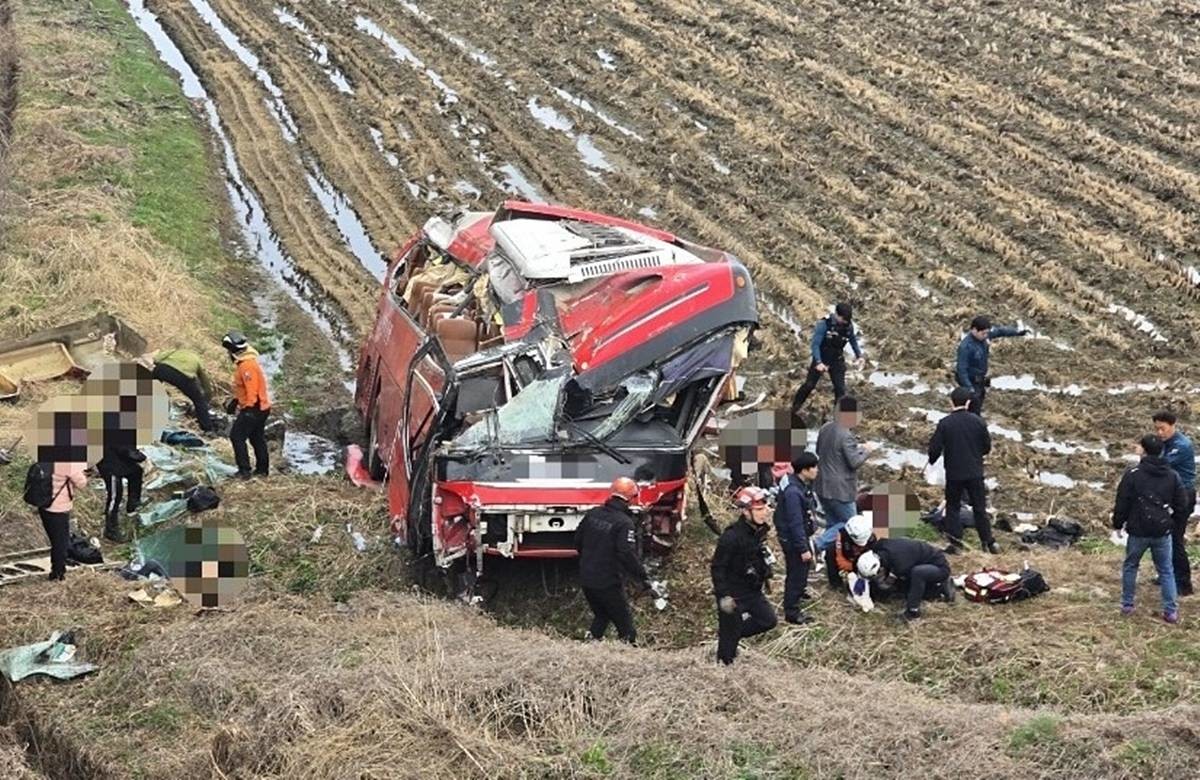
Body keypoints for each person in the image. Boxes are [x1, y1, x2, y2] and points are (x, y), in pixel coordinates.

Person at [1112, 434, 1190, 624]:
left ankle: (1128, 604)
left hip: (1138, 530)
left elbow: (1123, 502)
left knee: (1131, 565)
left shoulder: (1133, 474)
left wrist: (1117, 524)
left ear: (1144, 450)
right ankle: (1170, 611)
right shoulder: (1172, 475)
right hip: (1162, 531)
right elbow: (1182, 503)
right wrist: (1169, 519)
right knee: (1166, 570)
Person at [574, 477, 652, 644]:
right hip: (608, 581)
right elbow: (626, 554)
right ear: (630, 498)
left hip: (587, 578)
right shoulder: (624, 523)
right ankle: (628, 654)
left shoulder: (593, 514)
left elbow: (577, 541)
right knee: (626, 626)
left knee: (602, 616)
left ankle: (589, 645)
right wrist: (642, 577)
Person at [928, 387, 998, 554]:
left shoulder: (945, 423)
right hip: (975, 472)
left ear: (951, 402)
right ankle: (988, 542)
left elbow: (935, 448)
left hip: (954, 473)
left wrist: (932, 459)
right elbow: (986, 447)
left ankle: (956, 543)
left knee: (953, 507)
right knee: (979, 508)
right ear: (968, 402)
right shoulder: (978, 421)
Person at [712, 486, 778, 665]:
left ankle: (731, 634)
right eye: (758, 509)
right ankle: (724, 663)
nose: (764, 513)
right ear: (745, 511)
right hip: (732, 593)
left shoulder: (759, 531)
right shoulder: (731, 537)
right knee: (728, 649)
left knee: (768, 620)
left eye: (765, 508)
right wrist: (724, 595)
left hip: (752, 590)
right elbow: (718, 568)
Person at [814, 396, 877, 553]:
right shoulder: (846, 435)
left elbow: (819, 451)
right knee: (850, 524)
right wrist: (866, 450)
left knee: (832, 523)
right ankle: (817, 544)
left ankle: (830, 555)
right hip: (840, 490)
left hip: (822, 485)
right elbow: (854, 462)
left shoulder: (825, 428)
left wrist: (856, 447)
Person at [856, 537, 955, 621]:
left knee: (914, 579)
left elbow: (888, 585)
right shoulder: (880, 546)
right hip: (921, 560)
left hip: (939, 567)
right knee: (907, 582)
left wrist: (884, 586)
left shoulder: (900, 565)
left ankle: (914, 610)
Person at [791, 302, 864, 415]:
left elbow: (852, 340)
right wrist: (819, 362)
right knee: (809, 385)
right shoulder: (824, 324)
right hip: (822, 357)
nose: (845, 322)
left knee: (841, 390)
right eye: (843, 319)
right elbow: (815, 345)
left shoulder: (848, 325)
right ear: (837, 315)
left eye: (847, 320)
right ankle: (794, 409)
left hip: (836, 359)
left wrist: (859, 355)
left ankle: (838, 420)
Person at [772, 454, 819, 624]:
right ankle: (792, 611)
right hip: (793, 539)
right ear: (805, 470)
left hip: (793, 536)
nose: (817, 470)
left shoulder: (795, 483)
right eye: (814, 467)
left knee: (800, 570)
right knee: (797, 572)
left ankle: (798, 593)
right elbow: (795, 523)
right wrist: (803, 548)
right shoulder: (793, 493)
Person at [1154, 410, 1196, 596]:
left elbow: (1162, 465)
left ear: (1172, 426)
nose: (1159, 433)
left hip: (1183, 496)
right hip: (1169, 494)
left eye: (1162, 429)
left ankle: (1184, 583)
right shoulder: (1166, 443)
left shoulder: (1182, 445)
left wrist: (1146, 455)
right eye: (1157, 430)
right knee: (1164, 537)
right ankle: (1167, 575)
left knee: (1175, 539)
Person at [954, 316, 1029, 415]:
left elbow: (1000, 331)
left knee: (979, 404)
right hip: (971, 383)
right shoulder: (966, 347)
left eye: (987, 333)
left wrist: (1017, 332)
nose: (986, 335)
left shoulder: (984, 336)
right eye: (983, 333)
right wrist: (969, 389)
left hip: (981, 381)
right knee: (973, 410)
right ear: (974, 330)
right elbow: (961, 370)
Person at [222, 331, 272, 478]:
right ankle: (262, 470)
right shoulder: (248, 362)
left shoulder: (246, 366)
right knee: (257, 438)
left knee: (236, 437)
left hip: (254, 408)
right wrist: (236, 401)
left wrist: (248, 408)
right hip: (261, 408)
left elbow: (252, 389)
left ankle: (244, 471)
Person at [142, 347, 217, 432]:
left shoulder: (175, 351)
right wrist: (207, 397)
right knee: (199, 401)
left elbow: (156, 359)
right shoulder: (197, 359)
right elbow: (204, 380)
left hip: (163, 369)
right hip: (183, 377)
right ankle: (207, 428)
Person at [38, 462, 89, 581]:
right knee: (61, 543)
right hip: (59, 509)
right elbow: (81, 483)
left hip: (44, 506)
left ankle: (57, 570)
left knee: (55, 540)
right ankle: (58, 573)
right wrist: (83, 474)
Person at [96, 445, 145, 543]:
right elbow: (125, 449)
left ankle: (133, 504)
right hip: (109, 463)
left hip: (117, 459)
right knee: (115, 495)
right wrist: (137, 455)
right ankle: (110, 529)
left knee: (136, 471)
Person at [831, 513, 876, 589]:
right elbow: (840, 559)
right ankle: (836, 584)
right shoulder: (842, 535)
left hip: (863, 566)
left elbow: (873, 562)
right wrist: (852, 567)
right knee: (830, 551)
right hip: (849, 561)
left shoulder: (872, 540)